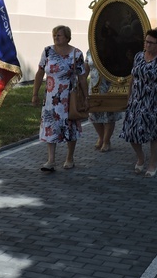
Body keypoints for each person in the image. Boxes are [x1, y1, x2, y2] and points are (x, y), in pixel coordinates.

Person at [120, 29, 157, 177]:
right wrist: (128, 97)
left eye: (151, 42)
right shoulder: (138, 56)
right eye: (146, 41)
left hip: (154, 102)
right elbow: (133, 78)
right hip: (136, 101)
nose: (147, 45)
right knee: (130, 132)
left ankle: (152, 164)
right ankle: (140, 157)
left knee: (154, 134)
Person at [32, 25, 87, 171]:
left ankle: (69, 158)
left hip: (69, 97)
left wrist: (86, 97)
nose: (56, 38)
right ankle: (51, 160)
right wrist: (35, 94)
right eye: (55, 35)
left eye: (59, 35)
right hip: (51, 98)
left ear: (67, 37)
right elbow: (40, 72)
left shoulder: (76, 53)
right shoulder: (48, 51)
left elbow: (82, 77)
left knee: (70, 127)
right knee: (51, 126)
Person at [86, 50, 122, 153]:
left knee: (108, 115)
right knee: (93, 113)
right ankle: (101, 137)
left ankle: (106, 141)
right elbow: (86, 67)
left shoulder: (111, 50)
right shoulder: (90, 51)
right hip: (94, 87)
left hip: (109, 86)